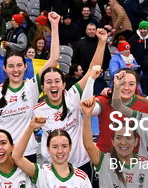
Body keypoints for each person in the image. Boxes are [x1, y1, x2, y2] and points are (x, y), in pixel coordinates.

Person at [0, 13, 61, 163]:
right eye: (11, 66)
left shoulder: (31, 87)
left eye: (19, 65)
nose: (16, 70)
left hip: (26, 151)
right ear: (4, 69)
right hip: (0, 152)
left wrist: (54, 25)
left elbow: (53, 59)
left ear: (26, 67)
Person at [33, 41, 104, 177]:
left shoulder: (73, 96)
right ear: (43, 88)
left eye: (57, 81)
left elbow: (92, 70)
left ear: (64, 84)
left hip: (81, 164)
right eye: (48, 82)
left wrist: (101, 42)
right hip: (54, 167)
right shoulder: (38, 110)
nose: (53, 85)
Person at [79, 99, 148, 188]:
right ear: (113, 141)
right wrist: (87, 115)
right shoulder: (105, 161)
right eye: (119, 138)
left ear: (136, 141)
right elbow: (89, 146)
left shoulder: (146, 164)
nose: (123, 142)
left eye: (128, 138)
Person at [12, 116, 95, 188]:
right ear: (48, 148)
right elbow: (16, 157)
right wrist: (31, 127)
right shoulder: (42, 173)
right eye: (55, 147)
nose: (60, 151)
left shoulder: (82, 177)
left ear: (70, 147)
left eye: (64, 146)